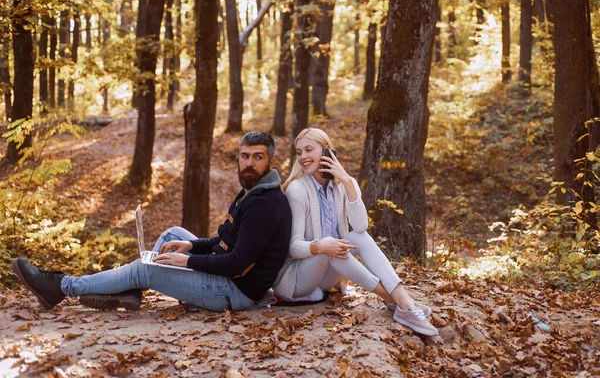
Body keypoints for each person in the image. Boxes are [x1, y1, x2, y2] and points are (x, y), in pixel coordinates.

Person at [12, 131, 292, 312]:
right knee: (172, 235)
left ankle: (61, 287)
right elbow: (224, 240)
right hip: (228, 276)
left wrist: (188, 261)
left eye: (258, 158)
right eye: (245, 156)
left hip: (236, 293)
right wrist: (190, 246)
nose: (249, 163)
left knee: (144, 270)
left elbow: (237, 264)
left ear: (272, 162)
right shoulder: (250, 192)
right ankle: (129, 291)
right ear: (238, 158)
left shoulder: (264, 205)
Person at [273, 128, 438, 336]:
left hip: (326, 277)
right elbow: (294, 247)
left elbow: (360, 227)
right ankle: (397, 301)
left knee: (356, 237)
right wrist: (321, 246)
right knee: (331, 247)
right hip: (299, 279)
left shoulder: (341, 185)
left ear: (326, 152)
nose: (303, 157)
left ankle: (403, 302)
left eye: (309, 150)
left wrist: (348, 182)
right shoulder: (297, 190)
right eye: (299, 152)